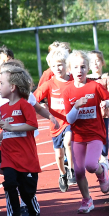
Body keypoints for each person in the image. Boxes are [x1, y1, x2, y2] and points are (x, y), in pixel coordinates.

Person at [0, 59, 58, 216]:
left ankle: (28, 205)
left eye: (3, 80)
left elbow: (38, 108)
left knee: (25, 179)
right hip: (6, 143)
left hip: (25, 144)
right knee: (10, 178)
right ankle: (14, 212)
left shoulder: (26, 97)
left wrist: (50, 116)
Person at [0, 64, 43, 216]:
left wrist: (11, 127)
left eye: (1, 83)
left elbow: (32, 125)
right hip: (9, 156)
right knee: (9, 183)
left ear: (12, 87)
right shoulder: (2, 108)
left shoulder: (25, 105)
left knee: (27, 192)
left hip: (26, 157)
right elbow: (6, 130)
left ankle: (33, 215)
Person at [63, 50, 109, 214]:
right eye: (76, 67)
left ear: (87, 69)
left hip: (95, 134)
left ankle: (102, 173)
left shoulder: (95, 86)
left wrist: (107, 104)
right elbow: (70, 119)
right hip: (78, 137)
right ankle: (87, 200)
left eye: (83, 67)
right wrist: (76, 106)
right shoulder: (68, 92)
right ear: (70, 70)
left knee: (90, 165)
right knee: (79, 171)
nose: (79, 71)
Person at [33, 47, 75, 192]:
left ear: (67, 65)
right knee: (58, 155)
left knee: (68, 141)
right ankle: (63, 174)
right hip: (55, 124)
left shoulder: (73, 80)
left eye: (61, 65)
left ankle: (72, 170)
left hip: (69, 121)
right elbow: (33, 98)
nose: (58, 68)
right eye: (54, 66)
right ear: (50, 67)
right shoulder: (49, 84)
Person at [88, 50, 109, 160]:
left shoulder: (106, 79)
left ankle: (104, 157)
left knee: (103, 136)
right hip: (89, 114)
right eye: (92, 61)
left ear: (102, 63)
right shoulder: (85, 79)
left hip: (103, 114)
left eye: (97, 61)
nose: (95, 64)